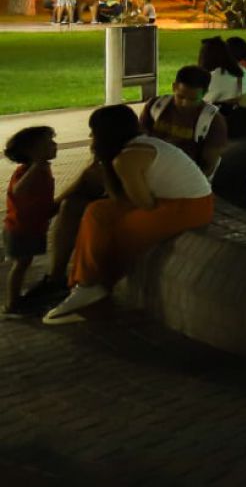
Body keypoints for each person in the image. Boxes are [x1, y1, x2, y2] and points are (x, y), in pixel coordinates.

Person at [42, 105, 216, 325]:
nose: (89, 136)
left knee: (120, 231)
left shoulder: (126, 159)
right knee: (96, 212)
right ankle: (86, 285)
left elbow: (144, 203)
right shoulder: (140, 146)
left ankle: (94, 291)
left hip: (187, 208)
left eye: (93, 131)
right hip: (173, 202)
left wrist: (107, 171)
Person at [5, 126, 58, 313]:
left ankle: (16, 300)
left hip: (32, 226)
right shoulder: (27, 170)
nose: (55, 145)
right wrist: (36, 167)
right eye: (49, 143)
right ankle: (13, 303)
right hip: (20, 228)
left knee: (23, 263)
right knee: (20, 265)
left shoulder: (42, 169)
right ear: (33, 152)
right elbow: (19, 190)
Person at [198, 37, 246, 136]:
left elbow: (197, 104)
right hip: (239, 126)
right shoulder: (241, 72)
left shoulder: (207, 77)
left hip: (214, 129)